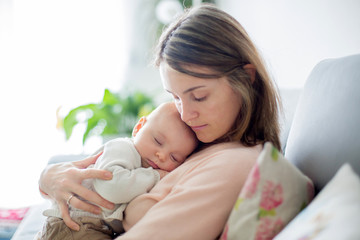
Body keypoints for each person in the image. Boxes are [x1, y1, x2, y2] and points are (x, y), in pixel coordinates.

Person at [38, 4, 282, 239]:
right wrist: (48, 177)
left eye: (199, 96)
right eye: (175, 97)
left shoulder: (234, 162)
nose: (186, 115)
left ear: (246, 78)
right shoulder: (200, 138)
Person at [38, 102, 198, 239]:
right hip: (73, 224)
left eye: (174, 158)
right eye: (157, 141)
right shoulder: (122, 148)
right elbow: (111, 187)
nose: (161, 156)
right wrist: (155, 176)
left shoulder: (142, 166)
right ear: (138, 128)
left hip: (91, 227)